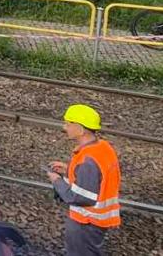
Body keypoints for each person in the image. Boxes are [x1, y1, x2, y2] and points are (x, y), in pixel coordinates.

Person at [48, 104, 121, 255]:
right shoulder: (102, 147)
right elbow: (96, 177)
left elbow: (80, 197)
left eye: (68, 124)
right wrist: (68, 169)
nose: (65, 127)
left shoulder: (87, 161)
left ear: (80, 129)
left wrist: (57, 181)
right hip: (95, 222)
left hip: (86, 222)